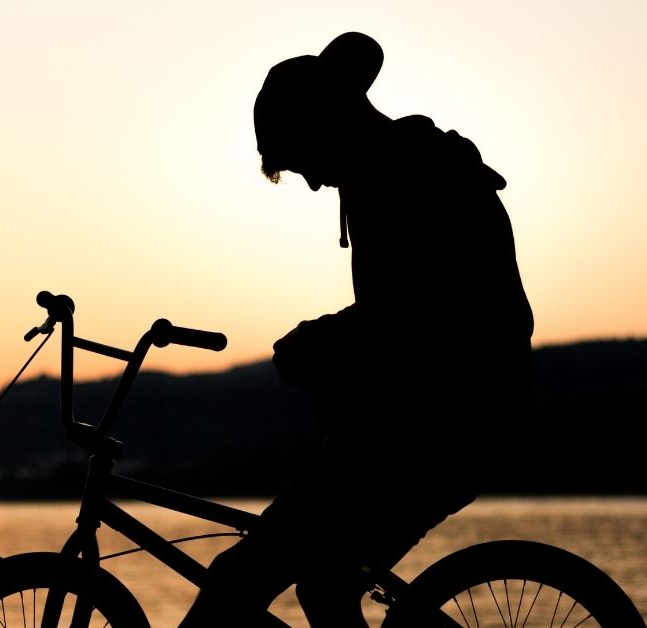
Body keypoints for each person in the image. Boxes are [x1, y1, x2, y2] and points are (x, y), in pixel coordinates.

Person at [179, 32, 534, 627]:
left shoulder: (401, 177)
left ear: (324, 123)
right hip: (451, 415)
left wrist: (320, 343)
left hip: (444, 422)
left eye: (303, 159)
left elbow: (417, 317)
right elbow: (408, 315)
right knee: (324, 584)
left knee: (242, 579)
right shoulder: (398, 167)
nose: (314, 182)